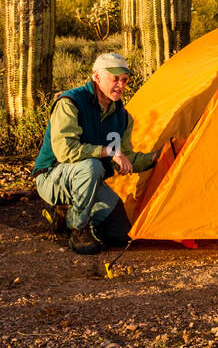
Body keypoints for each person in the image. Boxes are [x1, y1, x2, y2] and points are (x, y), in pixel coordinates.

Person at [33, 52, 157, 254]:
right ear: (96, 77)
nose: (121, 85)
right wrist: (107, 151)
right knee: (92, 166)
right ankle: (78, 230)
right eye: (115, 78)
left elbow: (125, 159)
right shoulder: (70, 103)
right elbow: (65, 151)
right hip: (51, 177)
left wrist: (155, 158)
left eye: (124, 80)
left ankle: (67, 213)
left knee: (120, 234)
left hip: (89, 181)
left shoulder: (122, 117)